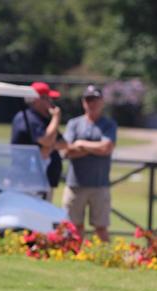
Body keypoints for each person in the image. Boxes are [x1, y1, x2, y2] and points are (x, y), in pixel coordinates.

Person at [62, 85, 117, 242]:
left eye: (95, 100)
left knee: (101, 227)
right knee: (74, 226)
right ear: (83, 102)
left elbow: (107, 147)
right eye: (88, 100)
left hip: (99, 184)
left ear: (102, 102)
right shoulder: (74, 123)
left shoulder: (108, 124)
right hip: (75, 184)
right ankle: (75, 257)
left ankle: (107, 259)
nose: (92, 104)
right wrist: (94, 147)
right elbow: (66, 150)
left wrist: (80, 144)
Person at [11, 81, 66, 198]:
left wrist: (49, 147)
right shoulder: (27, 117)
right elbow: (46, 140)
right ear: (37, 99)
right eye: (47, 99)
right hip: (28, 181)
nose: (51, 103)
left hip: (44, 180)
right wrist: (56, 118)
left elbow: (64, 144)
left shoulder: (45, 119)